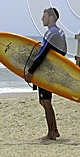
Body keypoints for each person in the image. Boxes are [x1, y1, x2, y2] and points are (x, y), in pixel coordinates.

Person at [24, 7, 67, 140]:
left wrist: (31, 72)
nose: (42, 18)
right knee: (44, 101)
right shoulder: (60, 32)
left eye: (44, 16)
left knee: (45, 101)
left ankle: (51, 133)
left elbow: (42, 53)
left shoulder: (51, 33)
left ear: (51, 18)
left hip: (46, 72)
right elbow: (64, 52)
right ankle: (54, 130)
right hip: (52, 71)